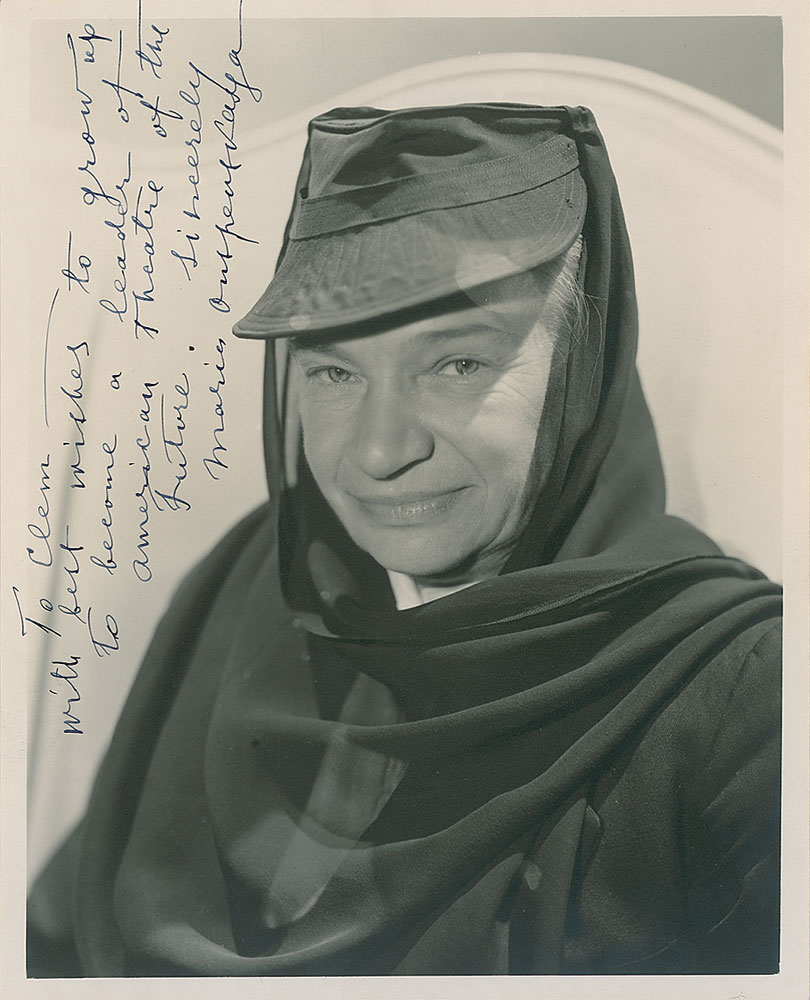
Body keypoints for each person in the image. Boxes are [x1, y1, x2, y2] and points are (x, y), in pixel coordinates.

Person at [27, 102, 781, 977]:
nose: (381, 452)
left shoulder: (742, 696)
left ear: (583, 368)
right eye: (333, 370)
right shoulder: (254, 581)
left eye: (457, 364)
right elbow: (53, 939)